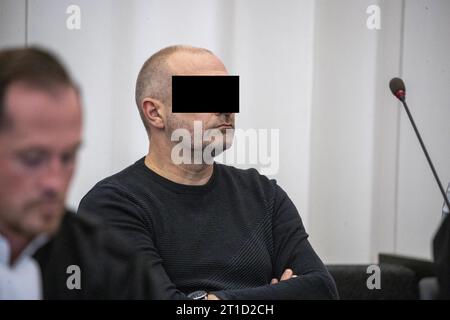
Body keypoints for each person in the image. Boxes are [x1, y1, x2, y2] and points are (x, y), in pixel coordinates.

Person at [78, 45, 338, 300]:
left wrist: (210, 301)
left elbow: (323, 289)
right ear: (155, 113)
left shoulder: (264, 195)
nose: (226, 110)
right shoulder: (112, 205)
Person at [0, 47, 158, 299]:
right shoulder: (120, 202)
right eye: (32, 159)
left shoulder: (109, 261)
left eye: (67, 157)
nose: (54, 182)